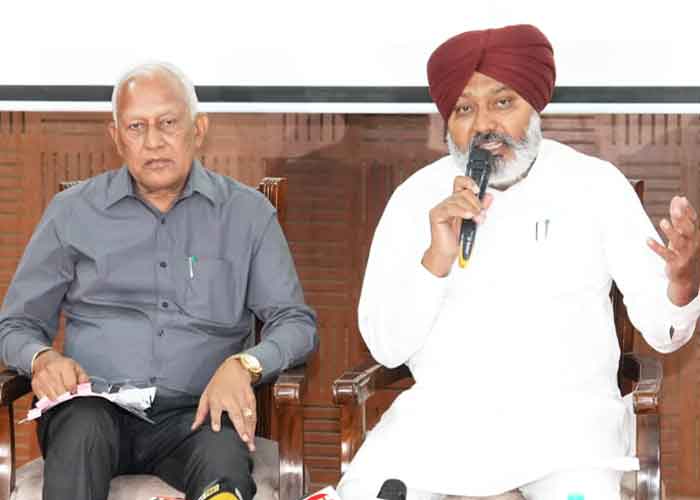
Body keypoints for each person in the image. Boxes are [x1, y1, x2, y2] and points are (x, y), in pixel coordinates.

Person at [337, 24, 700, 500]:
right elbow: (386, 348)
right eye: (464, 109)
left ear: (534, 106)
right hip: (440, 427)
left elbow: (663, 330)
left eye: (503, 102)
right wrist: (435, 259)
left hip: (567, 432)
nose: (483, 124)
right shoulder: (416, 198)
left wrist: (682, 284)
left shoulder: (594, 185)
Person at [0, 62, 318, 500]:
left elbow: (295, 323)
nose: (153, 142)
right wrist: (41, 359)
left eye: (168, 123)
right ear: (116, 137)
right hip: (94, 409)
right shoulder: (72, 212)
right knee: (82, 428)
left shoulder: (246, 214)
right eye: (136, 127)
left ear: (198, 129)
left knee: (223, 463)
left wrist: (245, 365)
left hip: (199, 414)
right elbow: (15, 325)